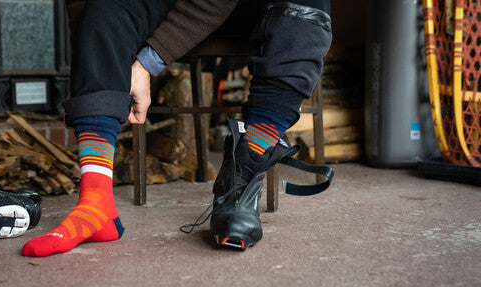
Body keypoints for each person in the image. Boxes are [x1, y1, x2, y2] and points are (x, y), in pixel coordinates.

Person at [22, 0, 332, 256]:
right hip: (172, 5)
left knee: (304, 10)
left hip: (253, 8)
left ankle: (246, 168)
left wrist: (145, 65)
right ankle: (95, 202)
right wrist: (91, 61)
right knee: (102, 9)